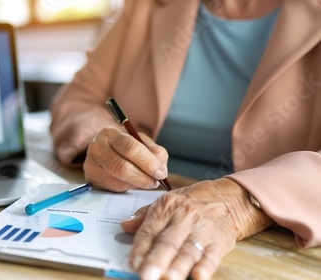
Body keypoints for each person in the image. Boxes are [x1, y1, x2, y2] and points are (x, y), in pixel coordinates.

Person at [49, 0, 321, 279]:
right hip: (136, 202)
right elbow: (78, 100)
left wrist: (240, 203)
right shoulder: (146, 5)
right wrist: (105, 142)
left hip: (275, 240)